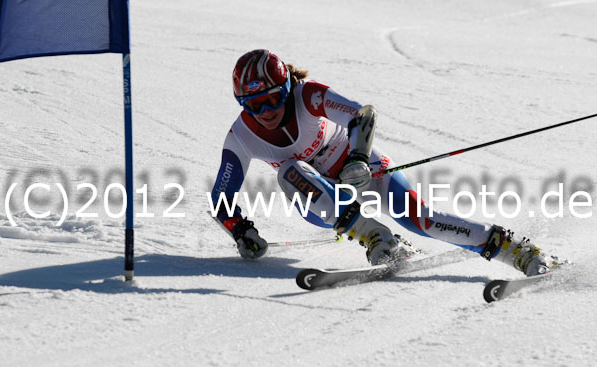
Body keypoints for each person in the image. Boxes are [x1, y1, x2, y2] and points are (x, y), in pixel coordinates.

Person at [210, 49, 562, 276]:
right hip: (317, 201)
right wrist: (241, 230)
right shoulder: (242, 135)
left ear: (286, 88)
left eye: (271, 100)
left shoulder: (308, 95)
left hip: (361, 169)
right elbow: (221, 196)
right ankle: (377, 237)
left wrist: (360, 158)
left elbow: (362, 115)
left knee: (419, 218)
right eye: (253, 105)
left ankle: (515, 250)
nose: (266, 112)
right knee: (289, 171)